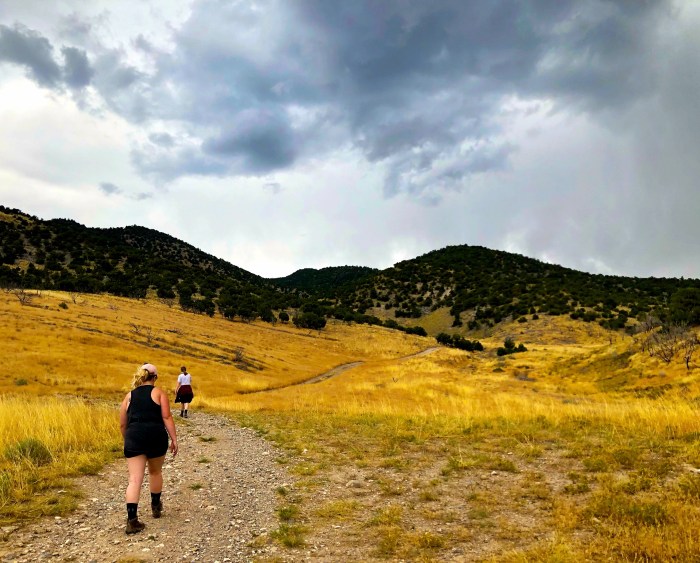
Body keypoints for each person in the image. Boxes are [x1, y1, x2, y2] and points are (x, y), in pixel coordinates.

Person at [119, 363, 178, 534]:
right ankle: (156, 507)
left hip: (134, 436)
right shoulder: (159, 393)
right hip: (155, 436)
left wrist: (128, 439)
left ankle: (132, 520)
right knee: (155, 472)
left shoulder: (129, 396)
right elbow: (166, 417)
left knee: (134, 479)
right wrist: (174, 439)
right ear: (155, 377)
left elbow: (123, 423)